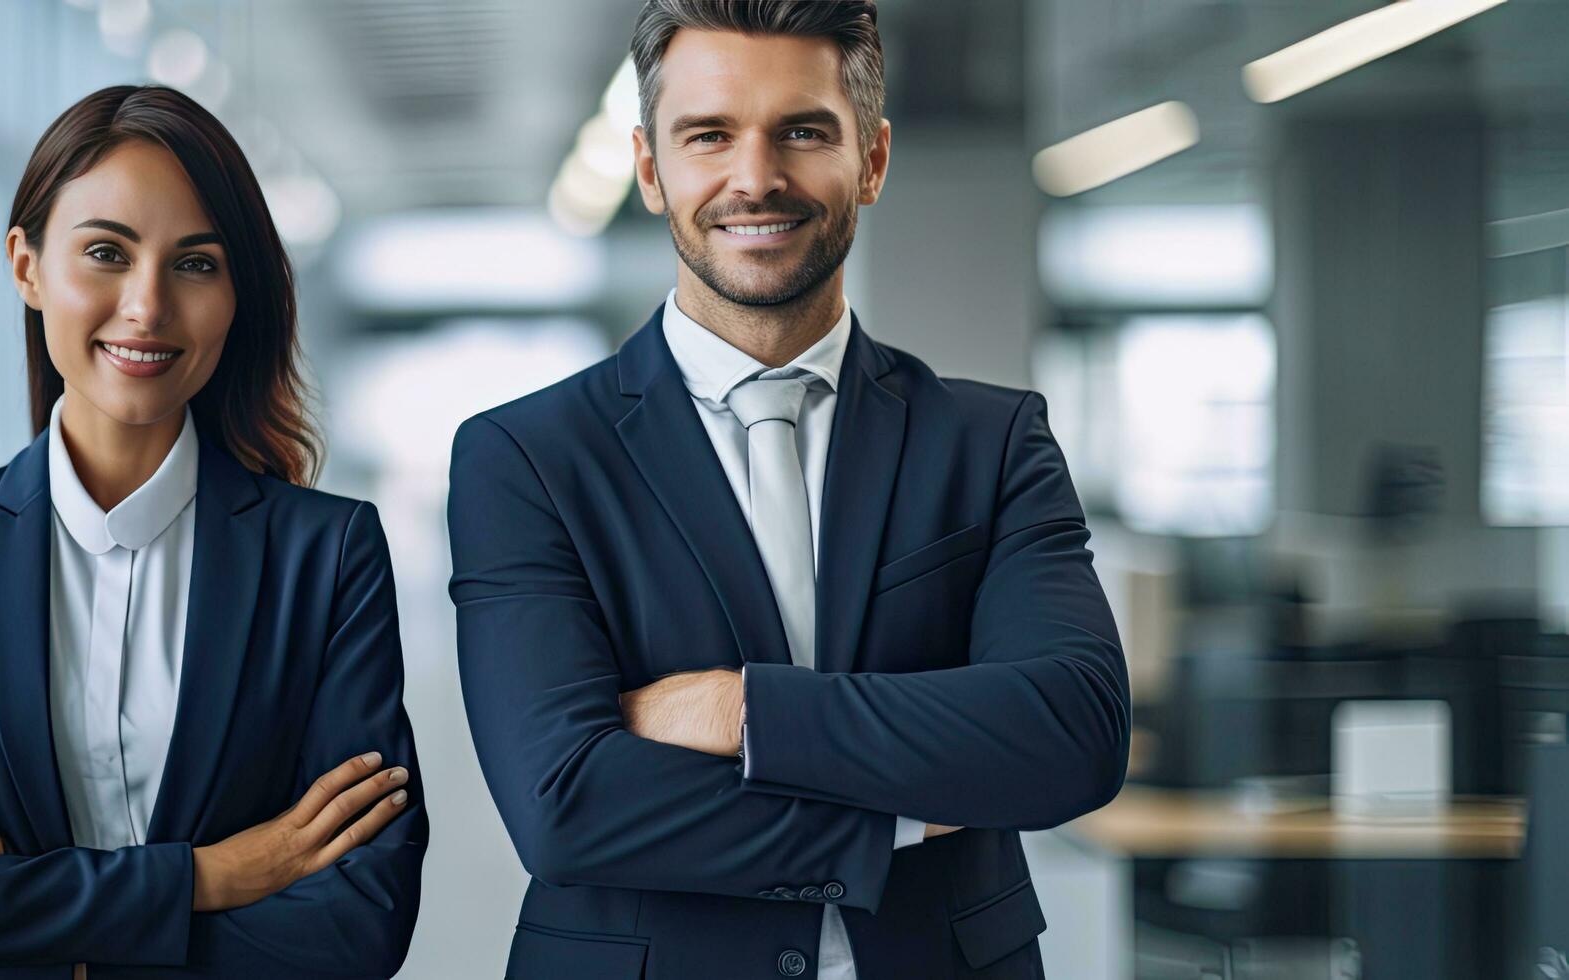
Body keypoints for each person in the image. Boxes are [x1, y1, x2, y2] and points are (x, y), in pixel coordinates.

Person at [447, 3, 1127, 977]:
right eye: (709, 134)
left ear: (872, 159)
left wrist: (743, 712)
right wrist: (902, 812)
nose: (754, 176)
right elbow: (565, 803)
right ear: (649, 167)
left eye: (801, 131)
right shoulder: (527, 456)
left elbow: (1070, 732)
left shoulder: (989, 440)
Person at [0, 84, 425, 980]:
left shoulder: (325, 555)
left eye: (195, 263)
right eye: (106, 252)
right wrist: (209, 878)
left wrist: (31, 917)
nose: (147, 307)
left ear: (235, 294)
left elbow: (359, 923)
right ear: (26, 267)